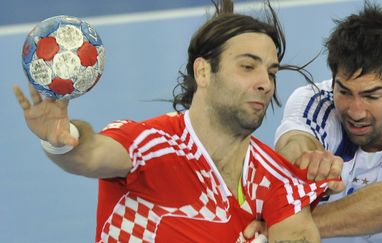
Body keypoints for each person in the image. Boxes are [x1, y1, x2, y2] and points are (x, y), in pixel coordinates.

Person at [13, 0, 332, 242]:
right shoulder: (148, 144)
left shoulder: (278, 180)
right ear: (203, 72)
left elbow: (297, 232)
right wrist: (61, 138)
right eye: (248, 67)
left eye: (271, 72)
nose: (266, 82)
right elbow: (89, 154)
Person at [272, 1, 382, 242]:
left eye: (371, 96)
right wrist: (304, 160)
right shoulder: (314, 100)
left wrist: (289, 224)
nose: (356, 112)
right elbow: (294, 144)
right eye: (344, 91)